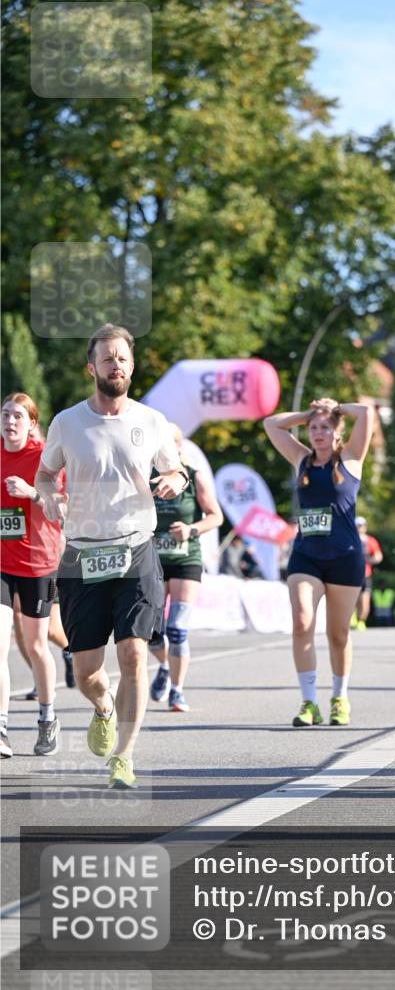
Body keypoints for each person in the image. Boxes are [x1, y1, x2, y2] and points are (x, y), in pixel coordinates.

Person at [36, 324, 187, 789]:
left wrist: (174, 482)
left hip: (136, 548)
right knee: (86, 671)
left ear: (131, 365)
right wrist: (48, 498)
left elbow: (176, 469)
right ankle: (103, 706)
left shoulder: (151, 420)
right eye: (106, 358)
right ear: (92, 368)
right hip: (82, 554)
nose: (115, 364)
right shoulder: (67, 422)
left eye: (122, 357)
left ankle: (124, 755)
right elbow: (45, 475)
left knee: (134, 653)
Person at [263, 397, 373, 727]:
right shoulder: (301, 459)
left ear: (338, 434)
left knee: (338, 633)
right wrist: (308, 414)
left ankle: (339, 697)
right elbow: (271, 424)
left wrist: (336, 407)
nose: (318, 433)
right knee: (301, 620)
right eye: (313, 428)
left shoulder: (352, 459)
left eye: (326, 428)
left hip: (345, 558)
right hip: (306, 556)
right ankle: (308, 702)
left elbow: (366, 413)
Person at [1, 393, 62, 758]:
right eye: (5, 414)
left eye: (18, 416)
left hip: (39, 562)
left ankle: (47, 718)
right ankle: (2, 727)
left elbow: (64, 506)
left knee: (37, 645)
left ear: (32, 423)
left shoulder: (44, 459)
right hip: (2, 563)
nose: (10, 421)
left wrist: (33, 494)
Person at [149, 423, 223, 712]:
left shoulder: (194, 477)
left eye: (170, 444)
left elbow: (216, 517)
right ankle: (166, 666)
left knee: (177, 629)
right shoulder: (146, 477)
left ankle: (177, 691)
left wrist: (191, 530)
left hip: (185, 560)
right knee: (153, 634)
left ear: (179, 447)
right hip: (153, 561)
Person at [352, 516, 383, 630]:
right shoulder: (350, 539)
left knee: (364, 600)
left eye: (361, 526)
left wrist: (368, 560)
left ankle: (361, 620)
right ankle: (352, 618)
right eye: (357, 526)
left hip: (366, 574)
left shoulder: (370, 540)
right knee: (351, 598)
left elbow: (379, 556)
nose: (359, 528)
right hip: (351, 574)